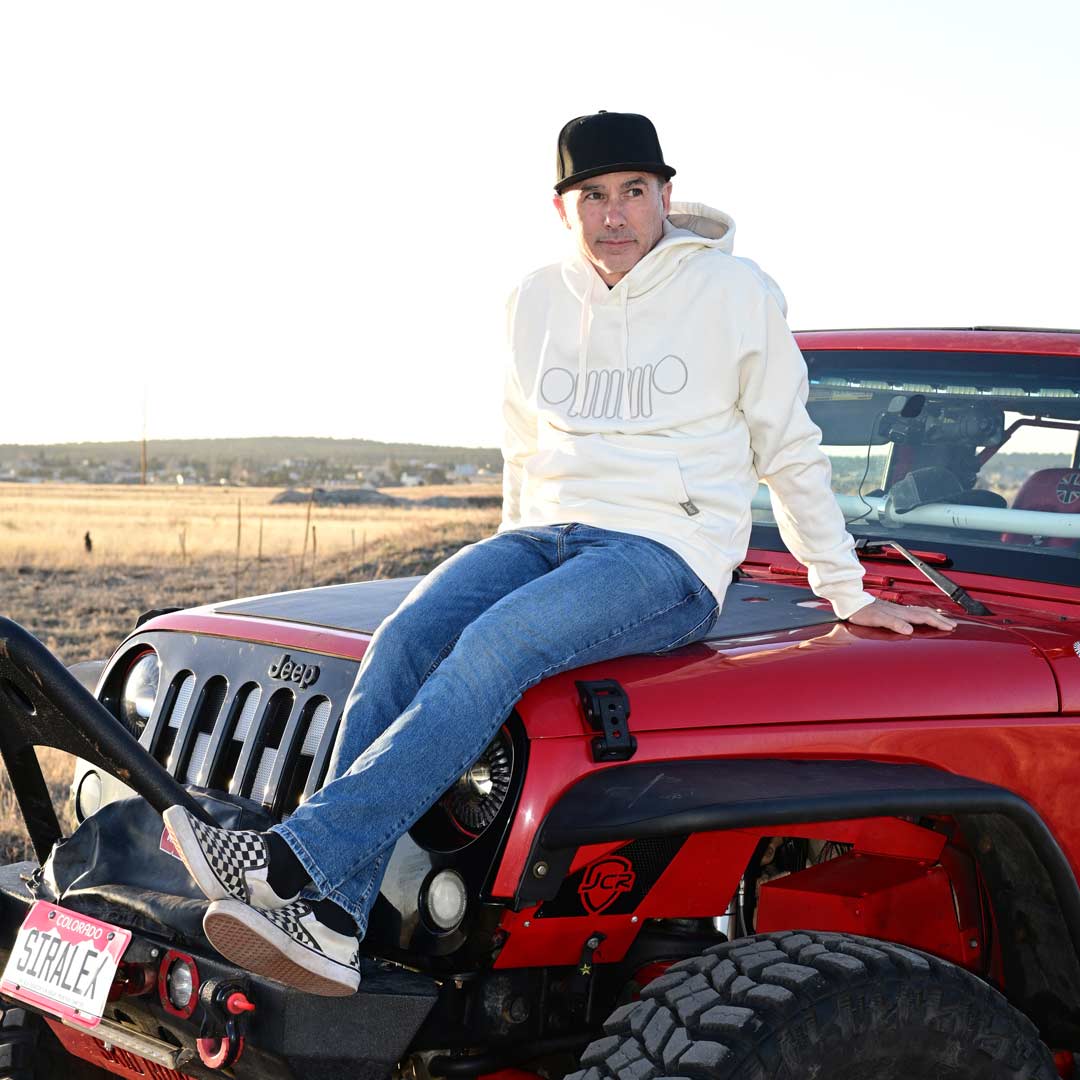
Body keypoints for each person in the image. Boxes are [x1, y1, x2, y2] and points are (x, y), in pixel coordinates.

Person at [163, 111, 957, 996]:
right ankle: (335, 918)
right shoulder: (532, 299)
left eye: (633, 192)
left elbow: (789, 448)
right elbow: (521, 445)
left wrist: (845, 591)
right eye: (594, 196)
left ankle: (293, 861)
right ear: (562, 207)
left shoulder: (737, 294)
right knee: (408, 636)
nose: (615, 214)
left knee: (498, 649)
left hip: (669, 556)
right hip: (543, 534)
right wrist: (503, 554)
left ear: (665, 195)